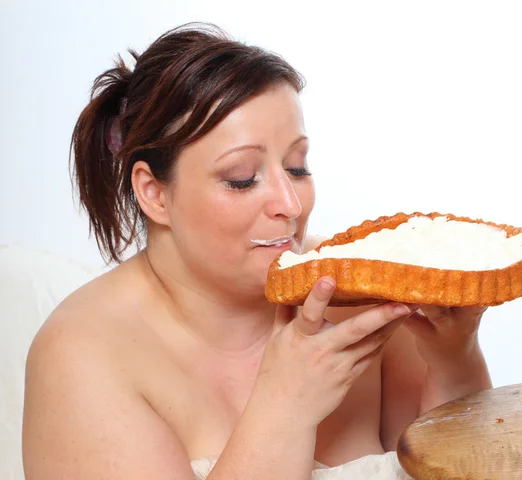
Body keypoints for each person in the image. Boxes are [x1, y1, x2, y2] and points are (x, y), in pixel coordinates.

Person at [21, 22, 492, 479]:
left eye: (297, 167)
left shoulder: (360, 291)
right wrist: (284, 409)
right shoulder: (83, 357)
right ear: (155, 193)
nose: (290, 206)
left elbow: (467, 467)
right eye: (242, 178)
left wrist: (455, 356)